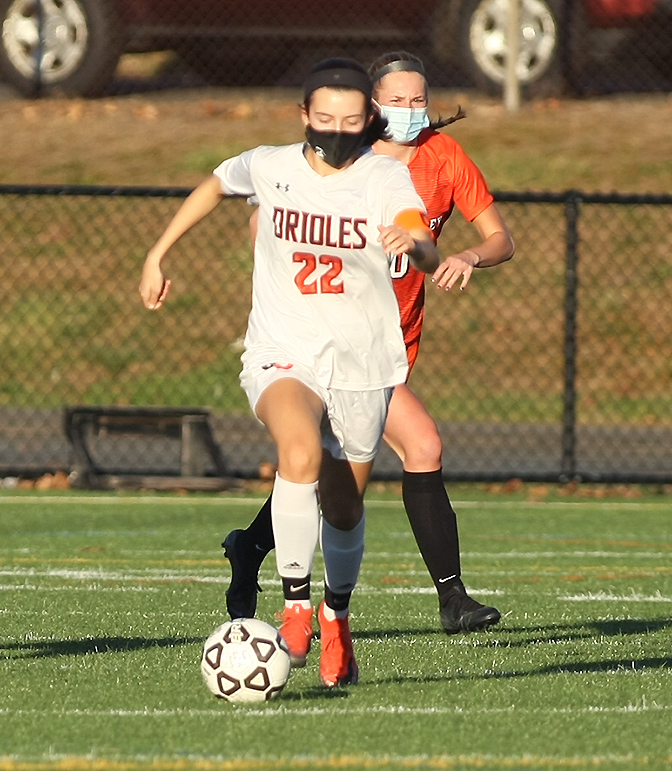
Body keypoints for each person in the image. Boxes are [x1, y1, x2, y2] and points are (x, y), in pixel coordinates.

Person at [140, 57, 439, 687]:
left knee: (346, 509)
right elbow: (216, 184)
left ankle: (337, 616)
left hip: (361, 360)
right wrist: (157, 252)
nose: (335, 130)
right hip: (283, 350)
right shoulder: (271, 165)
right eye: (323, 117)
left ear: (369, 122)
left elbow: (419, 230)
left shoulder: (382, 174)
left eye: (351, 120)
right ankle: (297, 605)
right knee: (297, 451)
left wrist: (414, 244)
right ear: (304, 115)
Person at [223, 51, 515, 636]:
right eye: (396, 100)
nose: (410, 111)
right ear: (368, 107)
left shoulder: (444, 158)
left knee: (336, 478)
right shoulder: (348, 161)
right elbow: (268, 215)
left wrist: (464, 256)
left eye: (418, 99)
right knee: (421, 446)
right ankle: (446, 599)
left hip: (393, 345)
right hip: (326, 343)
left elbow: (500, 238)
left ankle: (253, 546)